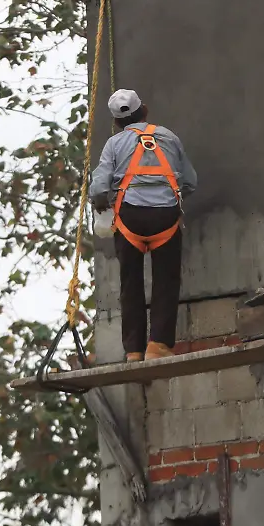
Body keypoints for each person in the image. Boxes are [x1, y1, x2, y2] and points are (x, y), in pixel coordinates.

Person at [90, 89, 197, 363]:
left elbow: (99, 188)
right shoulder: (169, 137)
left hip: (130, 218)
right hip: (165, 218)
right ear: (145, 111)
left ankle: (134, 351)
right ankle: (158, 344)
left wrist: (102, 203)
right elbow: (190, 182)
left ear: (116, 122)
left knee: (130, 283)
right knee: (166, 281)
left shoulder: (114, 144)